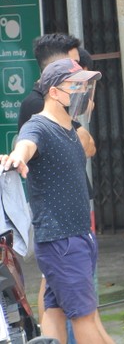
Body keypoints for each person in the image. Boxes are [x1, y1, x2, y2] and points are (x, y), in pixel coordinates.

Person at [0, 58, 112, 344]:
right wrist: (18, 157)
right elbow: (25, 143)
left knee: (54, 309)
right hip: (62, 240)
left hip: (76, 236)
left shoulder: (71, 129)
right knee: (84, 317)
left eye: (86, 85)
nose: (83, 92)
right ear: (54, 92)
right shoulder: (40, 126)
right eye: (76, 86)